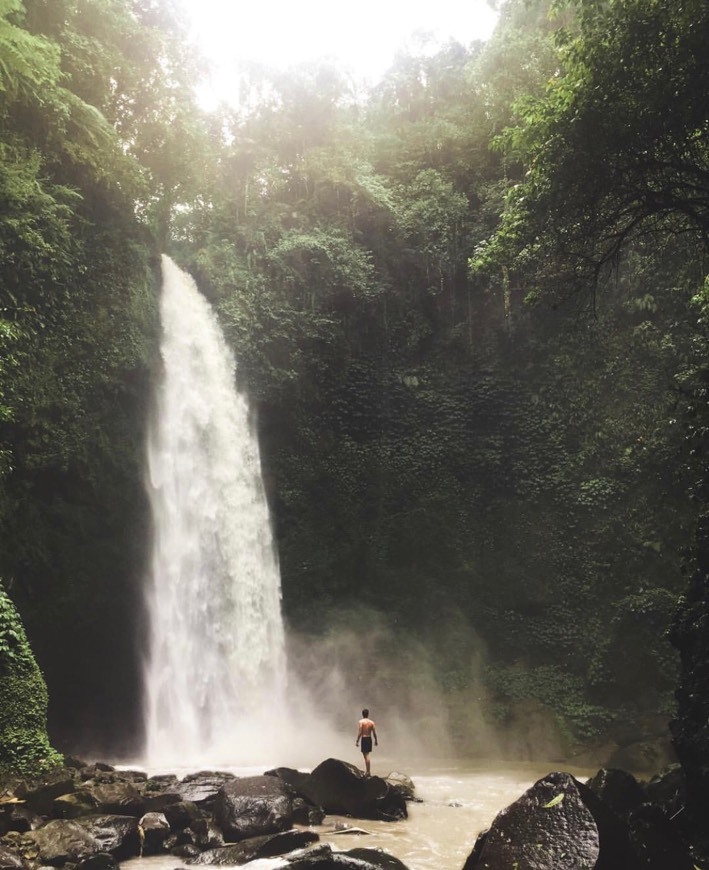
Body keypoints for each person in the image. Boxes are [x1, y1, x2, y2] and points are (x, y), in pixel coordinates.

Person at [355, 708, 378, 776]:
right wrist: (376, 740)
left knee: (366, 755)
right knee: (366, 755)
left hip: (364, 738)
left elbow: (360, 732)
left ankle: (368, 771)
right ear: (368, 714)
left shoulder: (361, 722)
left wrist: (357, 741)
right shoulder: (372, 722)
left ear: (362, 714)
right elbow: (374, 732)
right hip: (369, 738)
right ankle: (368, 770)